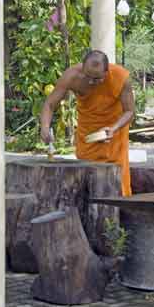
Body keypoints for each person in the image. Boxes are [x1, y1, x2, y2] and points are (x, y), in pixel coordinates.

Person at [40, 50, 135, 197]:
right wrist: (45, 128)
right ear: (82, 67)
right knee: (86, 178)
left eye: (97, 78)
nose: (91, 81)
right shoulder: (72, 76)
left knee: (116, 180)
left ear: (106, 71)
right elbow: (50, 104)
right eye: (87, 76)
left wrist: (114, 128)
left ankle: (118, 213)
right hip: (88, 133)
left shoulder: (120, 77)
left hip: (114, 132)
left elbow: (129, 112)